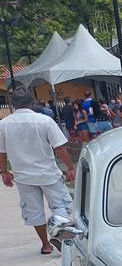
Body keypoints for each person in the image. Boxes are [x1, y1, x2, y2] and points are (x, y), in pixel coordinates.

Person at [0, 88, 76, 255]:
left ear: (12, 104)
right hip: (48, 173)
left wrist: (4, 172)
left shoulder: (3, 124)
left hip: (23, 176)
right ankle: (59, 234)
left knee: (33, 211)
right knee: (61, 205)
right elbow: (60, 148)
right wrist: (71, 167)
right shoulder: (45, 121)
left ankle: (45, 245)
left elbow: (2, 152)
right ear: (33, 102)